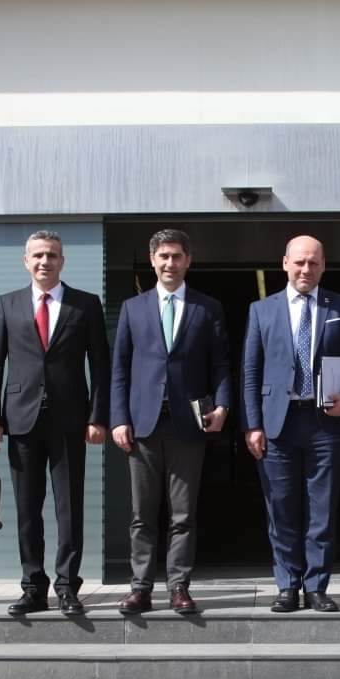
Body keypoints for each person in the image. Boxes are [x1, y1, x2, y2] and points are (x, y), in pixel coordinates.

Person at [0, 230, 110, 616]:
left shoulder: (86, 304)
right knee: (27, 509)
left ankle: (67, 586)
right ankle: (33, 587)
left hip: (70, 420)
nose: (44, 261)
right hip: (22, 420)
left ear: (62, 261)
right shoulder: (7, 304)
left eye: (52, 255)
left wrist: (97, 416)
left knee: (69, 507)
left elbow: (100, 367)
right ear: (26, 261)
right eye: (37, 255)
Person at [242, 235, 340, 613]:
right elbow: (250, 371)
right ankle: (287, 585)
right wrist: (253, 425)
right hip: (277, 424)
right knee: (281, 508)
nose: (305, 269)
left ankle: (316, 586)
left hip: (326, 423)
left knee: (322, 508)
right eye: (299, 262)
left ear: (323, 266)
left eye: (313, 262)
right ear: (285, 263)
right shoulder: (261, 310)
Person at [110, 229, 230, 615]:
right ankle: (141, 588)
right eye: (163, 256)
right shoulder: (133, 308)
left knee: (183, 514)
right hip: (142, 425)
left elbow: (220, 364)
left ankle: (179, 586)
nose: (170, 263)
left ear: (188, 260)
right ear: (152, 260)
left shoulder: (207, 308)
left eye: (177, 256)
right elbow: (120, 369)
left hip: (188, 426)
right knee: (142, 514)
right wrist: (118, 418)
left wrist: (223, 406)